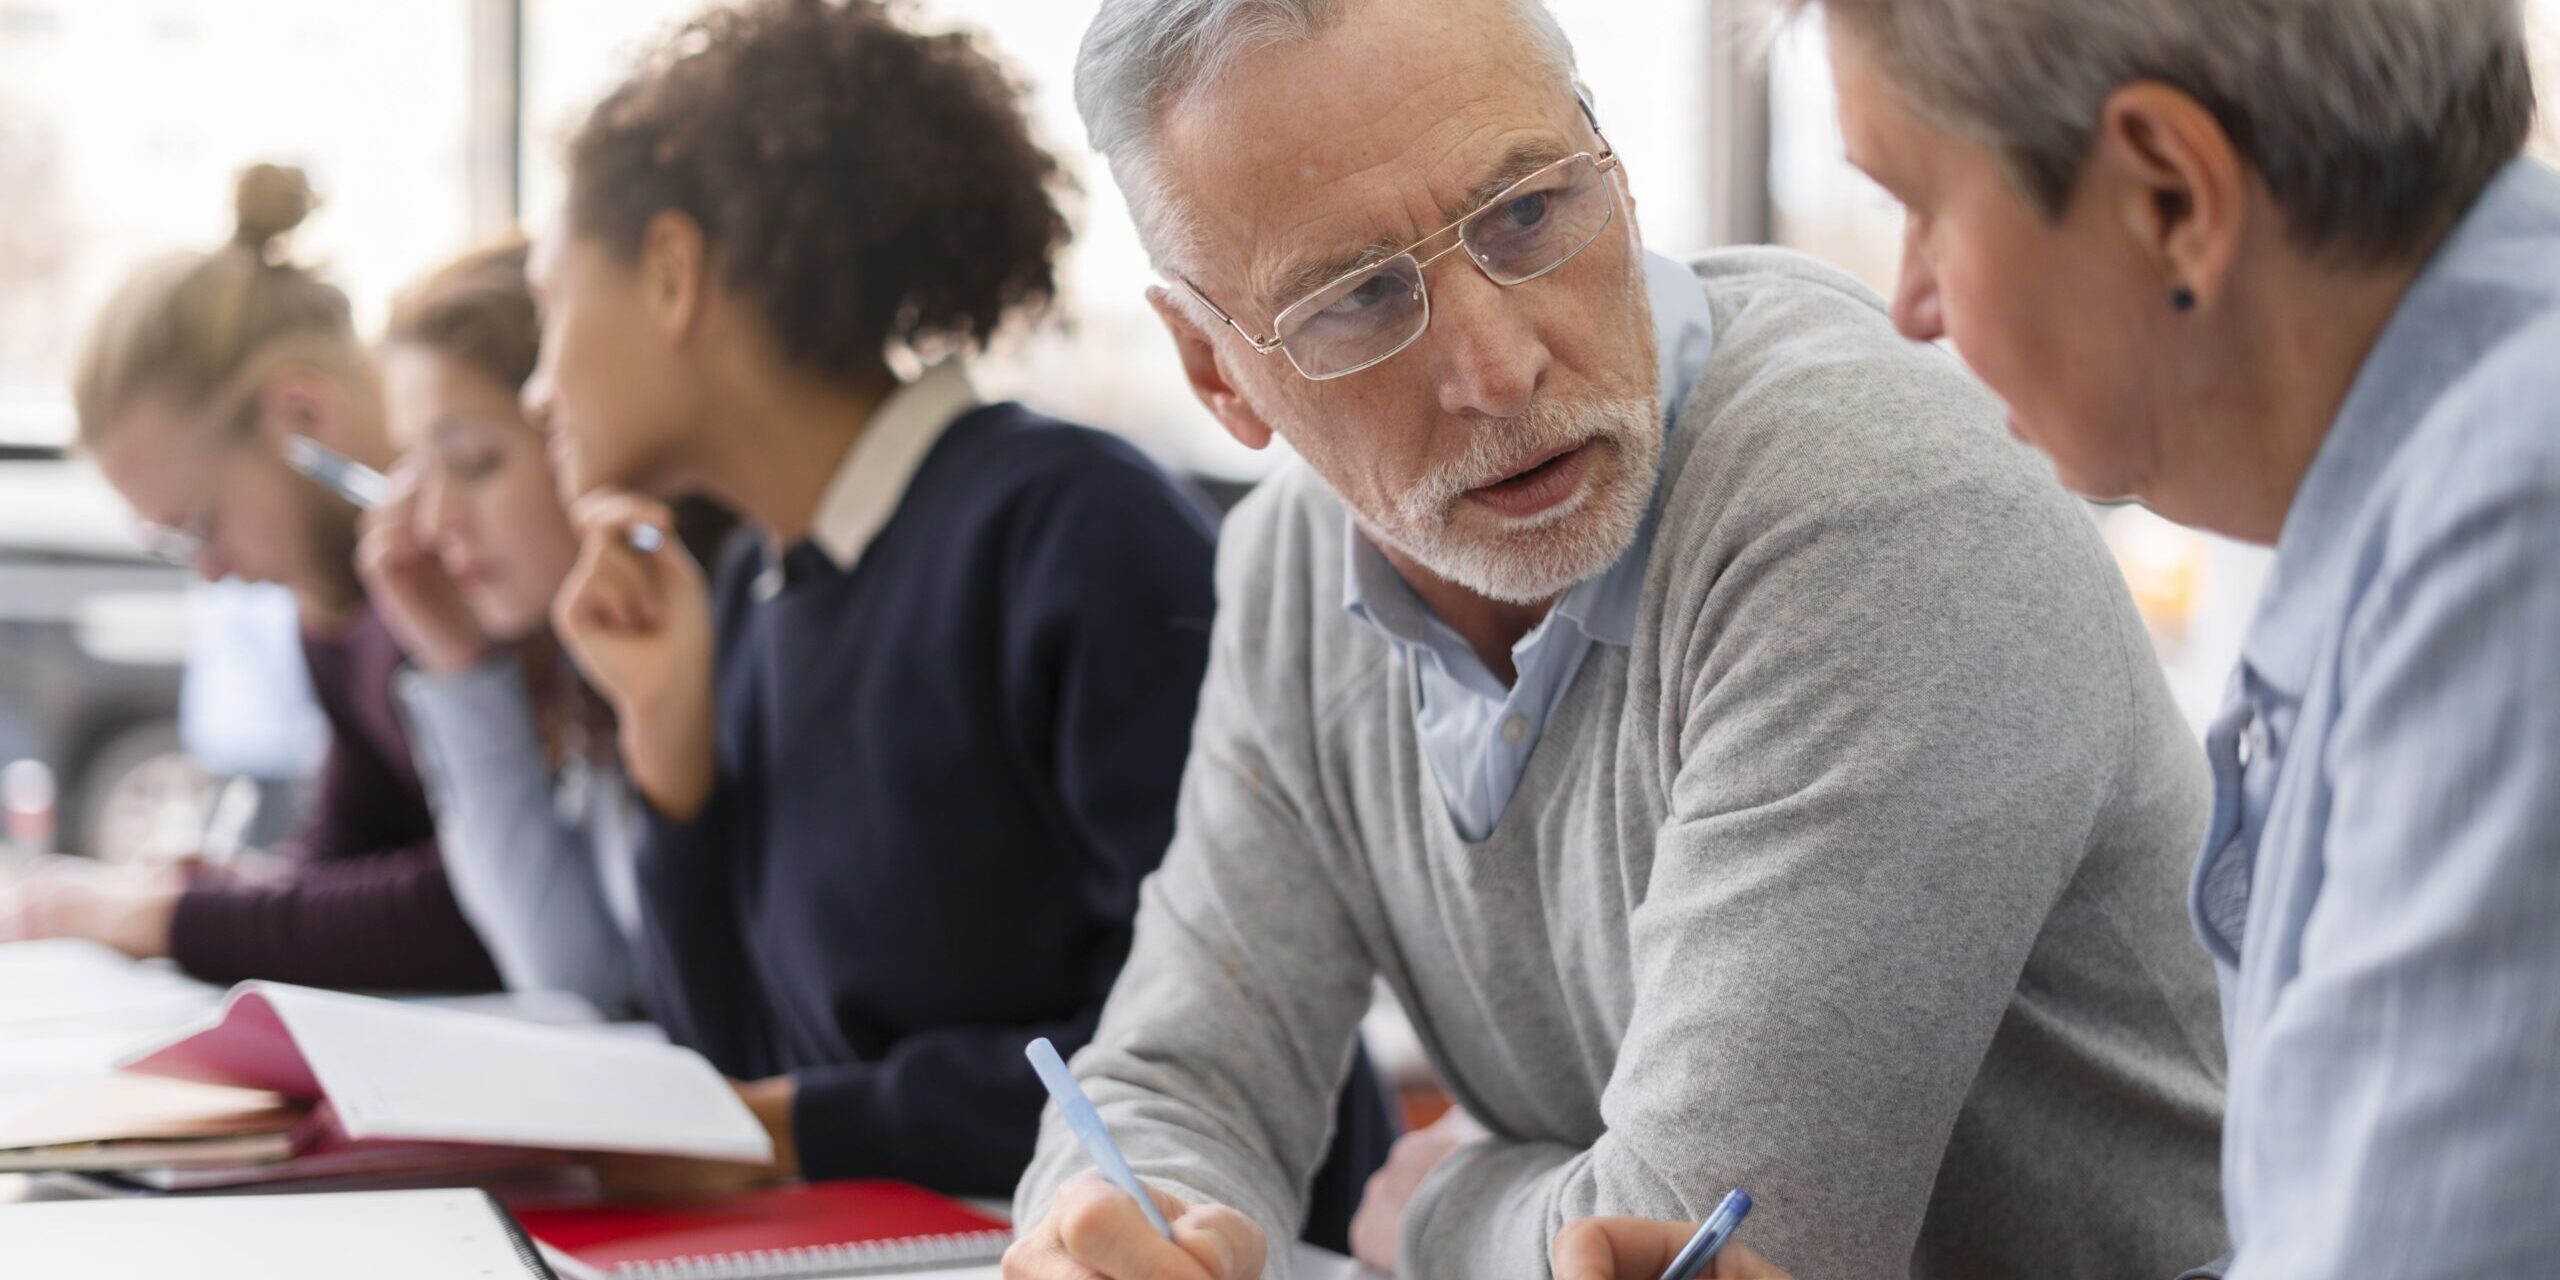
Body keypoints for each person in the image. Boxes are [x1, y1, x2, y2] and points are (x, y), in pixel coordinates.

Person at [1001, 1, 2232, 1278]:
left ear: (1616, 173)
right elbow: (1182, 1071)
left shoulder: (1874, 503)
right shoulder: (1292, 568)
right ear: (1215, 371)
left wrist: (1437, 1205)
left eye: (1528, 212)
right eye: (1358, 297)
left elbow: (1710, 1247)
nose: (1499, 369)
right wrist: (1118, 1228)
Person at [1557, 2, 2560, 1279]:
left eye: (1922, 206)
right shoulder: (2429, 509)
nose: (1909, 306)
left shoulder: (2509, 551)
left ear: (2170, 197)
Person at [521, 0, 1395, 1228]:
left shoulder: (1068, 528)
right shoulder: (752, 596)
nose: (538, 385)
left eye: (551, 306)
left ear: (672, 274)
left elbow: (1236, 1037)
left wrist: (805, 1125)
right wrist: (671, 745)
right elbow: (735, 1074)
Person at [0, 165, 499, 993]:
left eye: (203, 524)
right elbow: (357, 843)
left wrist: (160, 917)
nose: (212, 570)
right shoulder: (336, 609)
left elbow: (485, 905)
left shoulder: (478, 580)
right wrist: (241, 894)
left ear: (302, 418)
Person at [356, 241, 678, 1018]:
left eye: (474, 462)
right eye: (418, 474)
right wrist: (460, 667)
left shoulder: (695, 641)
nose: (434, 523)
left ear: (574, 422)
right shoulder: (579, 668)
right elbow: (574, 977)